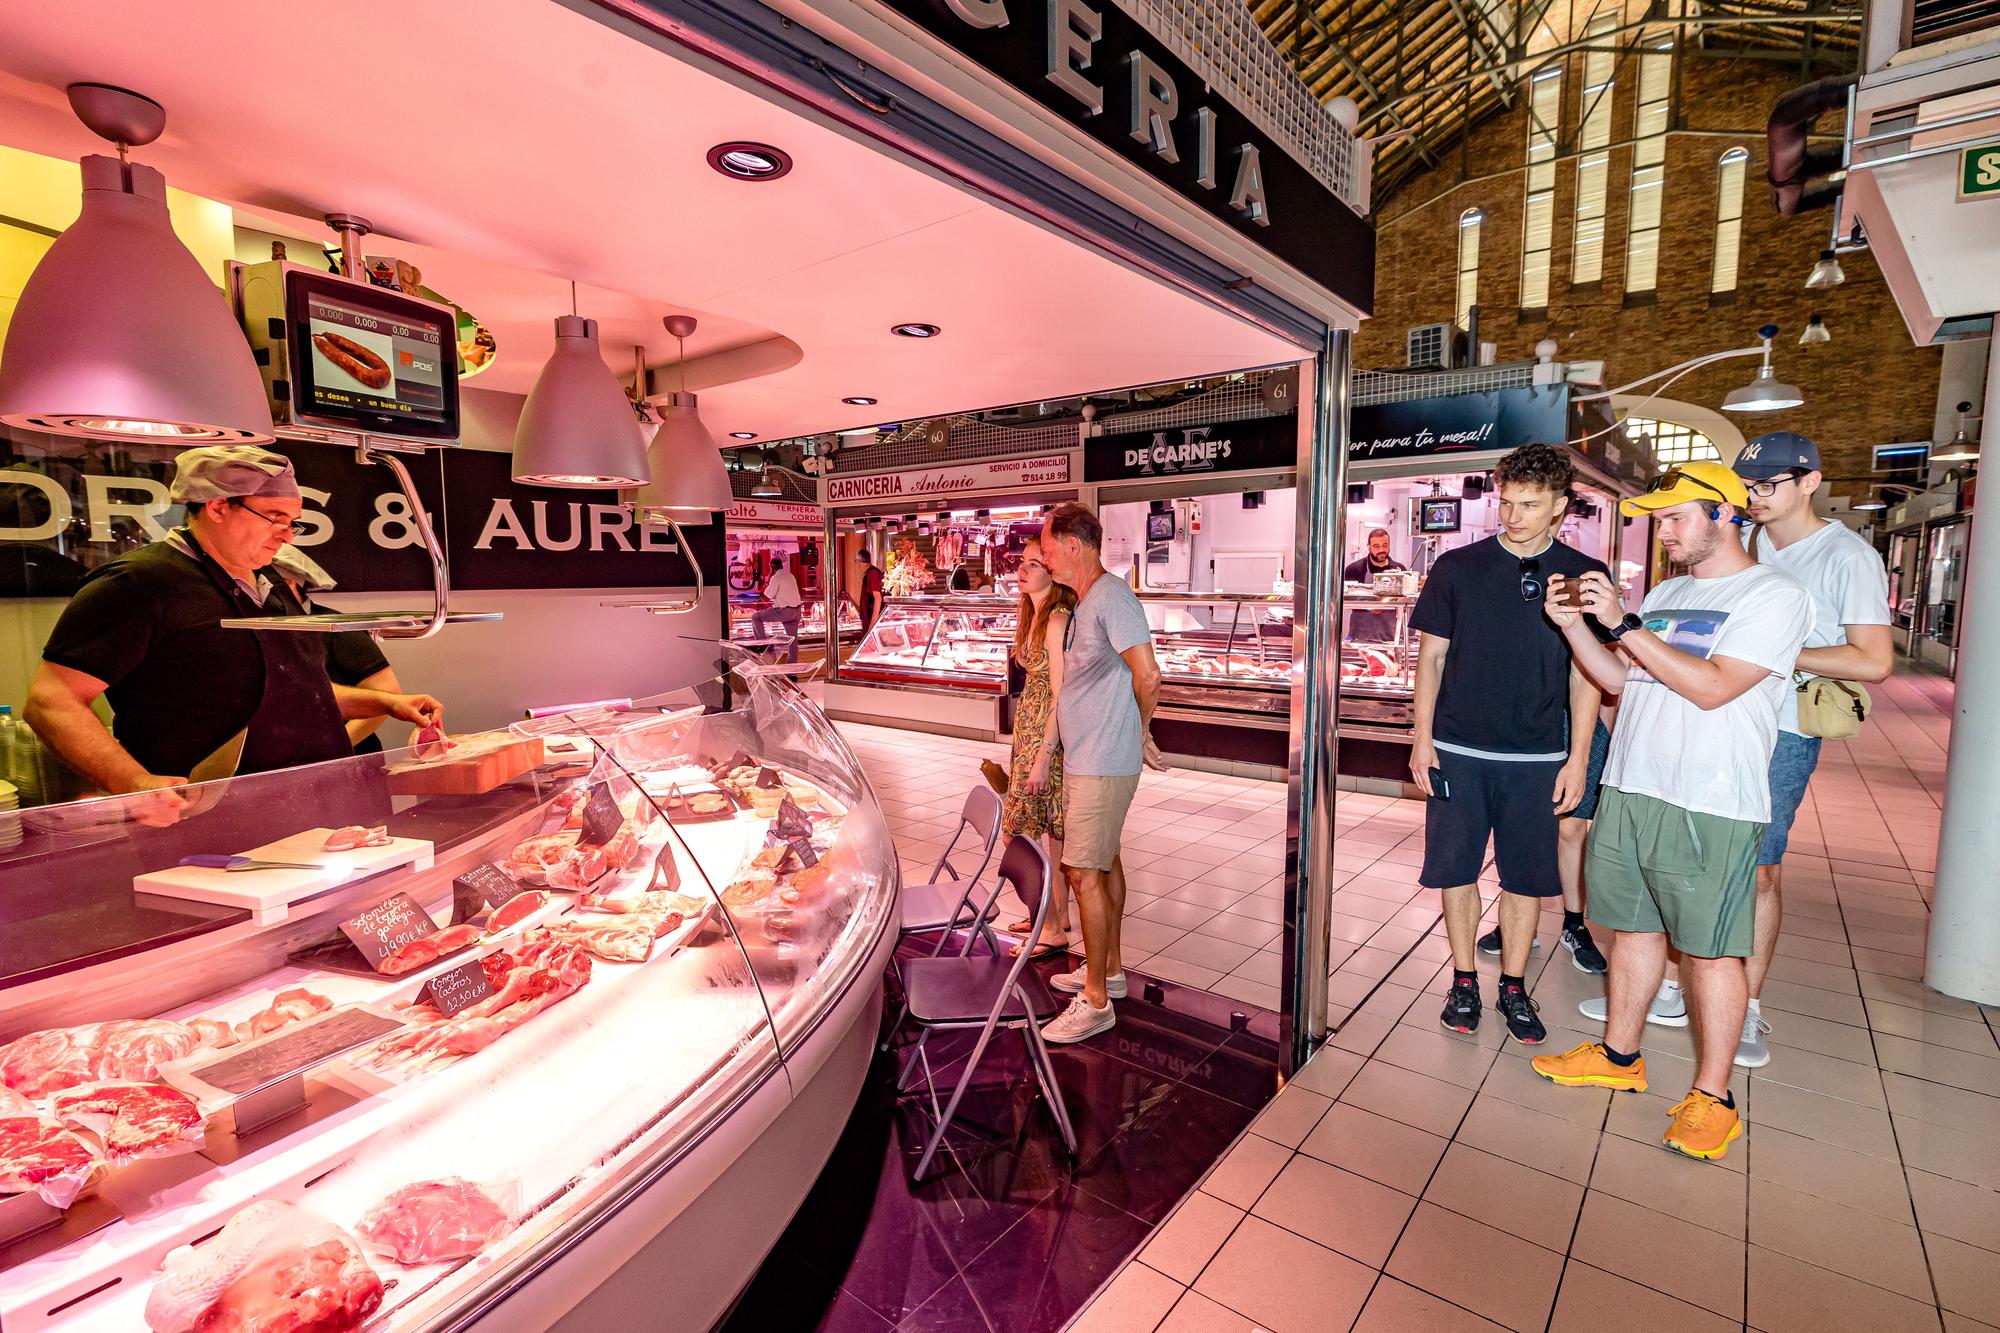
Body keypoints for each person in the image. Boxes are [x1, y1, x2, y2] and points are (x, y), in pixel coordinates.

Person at [1532, 461, 1812, 1161]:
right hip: (1633, 785)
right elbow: (1629, 680)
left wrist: (1623, 620)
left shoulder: (1772, 595)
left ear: (1726, 514)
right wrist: (1575, 630)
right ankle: (1620, 1056)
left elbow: (1713, 686)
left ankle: (1713, 1096)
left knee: (1711, 952)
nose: (1665, 529)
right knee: (1631, 931)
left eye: (1677, 516)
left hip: (1710, 800)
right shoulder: (1667, 590)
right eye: (1660, 518)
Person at [23, 446, 443, 827]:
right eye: (276, 517)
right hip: (215, 823)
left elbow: (287, 690)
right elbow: (52, 701)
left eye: (294, 522)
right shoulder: (139, 583)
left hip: (324, 806)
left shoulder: (271, 583)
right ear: (219, 506)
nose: (287, 535)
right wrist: (133, 782)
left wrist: (388, 702)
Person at [1410, 443, 1604, 1044]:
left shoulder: (1579, 577)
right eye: (1507, 501)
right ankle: (1464, 979)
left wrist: (1577, 757)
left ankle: (1513, 987)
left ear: (1559, 507)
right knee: (1455, 871)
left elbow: (1586, 672)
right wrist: (1421, 739)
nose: (1513, 514)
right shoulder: (1457, 569)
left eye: (1530, 503)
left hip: (1539, 757)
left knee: (1525, 879)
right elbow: (1431, 658)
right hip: (1459, 751)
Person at [1035, 502, 1166, 1045]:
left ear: (1073, 543)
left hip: (1103, 761)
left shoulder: (1112, 596)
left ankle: (1094, 1001)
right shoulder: (1087, 602)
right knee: (1104, 865)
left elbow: (1149, 674)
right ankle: (1108, 973)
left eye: (1046, 548)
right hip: (1091, 757)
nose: (1043, 558)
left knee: (1083, 871)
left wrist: (1139, 730)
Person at [1004, 538, 1078, 958]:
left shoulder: (1055, 620)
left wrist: (1043, 757)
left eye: (1036, 563)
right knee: (1051, 830)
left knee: (1019, 830)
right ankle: (1055, 915)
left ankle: (1050, 928)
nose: (1025, 569)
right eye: (1023, 562)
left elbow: (1060, 693)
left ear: (1053, 572)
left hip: (1045, 737)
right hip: (1030, 730)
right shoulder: (1031, 613)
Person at [269, 544, 403, 755]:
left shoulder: (335, 627)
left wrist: (333, 750)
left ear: (290, 584)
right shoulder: (265, 630)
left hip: (351, 762)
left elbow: (389, 694)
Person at [752, 556, 805, 664]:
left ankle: (763, 646)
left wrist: (767, 580)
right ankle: (792, 672)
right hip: (796, 612)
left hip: (783, 611)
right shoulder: (790, 575)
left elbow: (768, 595)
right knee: (793, 641)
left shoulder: (776, 577)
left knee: (756, 617)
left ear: (772, 568)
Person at [855, 547, 885, 633]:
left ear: (858, 561)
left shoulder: (873, 573)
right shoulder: (869, 573)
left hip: (872, 621)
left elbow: (878, 598)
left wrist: (873, 624)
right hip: (868, 620)